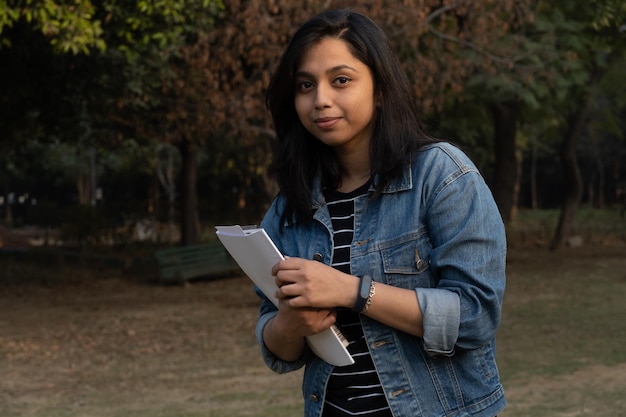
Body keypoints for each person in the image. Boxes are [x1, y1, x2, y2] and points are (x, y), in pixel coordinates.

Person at [256, 8, 507, 417]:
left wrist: (351, 291)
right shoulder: (290, 205)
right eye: (305, 85)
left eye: (341, 80)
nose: (320, 99)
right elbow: (278, 347)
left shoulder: (441, 175)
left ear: (380, 89)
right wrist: (288, 325)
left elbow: (474, 317)